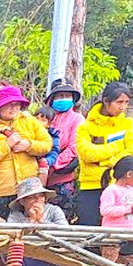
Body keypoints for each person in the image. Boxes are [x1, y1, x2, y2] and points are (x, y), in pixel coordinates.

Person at [0, 85, 52, 218]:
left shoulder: (30, 122)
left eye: (17, 104)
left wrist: (28, 145)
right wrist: (5, 146)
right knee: (2, 233)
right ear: (0, 107)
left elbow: (47, 144)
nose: (14, 108)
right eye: (10, 104)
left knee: (29, 231)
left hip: (28, 191)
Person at [74, 82, 133, 226]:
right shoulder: (86, 126)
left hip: (119, 185)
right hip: (91, 185)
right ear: (106, 101)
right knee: (88, 227)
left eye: (126, 102)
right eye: (119, 102)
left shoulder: (128, 123)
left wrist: (103, 161)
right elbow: (87, 154)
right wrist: (117, 147)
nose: (123, 107)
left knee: (116, 229)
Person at [44, 78, 84, 218]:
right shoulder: (43, 117)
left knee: (60, 218)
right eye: (60, 96)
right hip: (40, 178)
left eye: (67, 96)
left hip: (62, 178)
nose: (64, 99)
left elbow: (74, 147)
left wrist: (53, 164)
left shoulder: (77, 119)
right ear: (52, 98)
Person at [98, 155, 133, 262]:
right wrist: (129, 209)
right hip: (112, 235)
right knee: (109, 263)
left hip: (129, 234)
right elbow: (105, 210)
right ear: (129, 174)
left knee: (128, 262)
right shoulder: (111, 190)